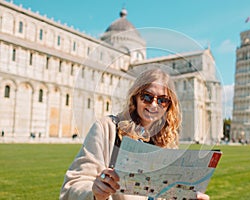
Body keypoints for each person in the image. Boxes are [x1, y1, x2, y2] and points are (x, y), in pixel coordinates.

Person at [60, 68, 210, 200]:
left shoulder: (167, 142)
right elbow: (74, 184)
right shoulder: (107, 128)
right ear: (135, 97)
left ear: (169, 106)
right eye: (147, 97)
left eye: (162, 100)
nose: (153, 105)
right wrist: (95, 194)